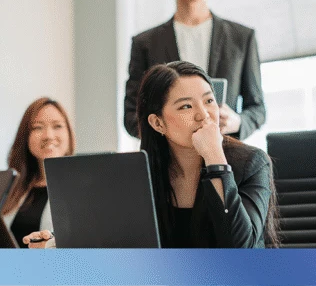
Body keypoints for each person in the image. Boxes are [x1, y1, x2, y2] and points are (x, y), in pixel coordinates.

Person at [25, 61, 278, 248]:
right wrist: (56, 244)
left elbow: (241, 250)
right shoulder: (141, 175)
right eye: (186, 106)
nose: (204, 114)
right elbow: (116, 243)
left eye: (209, 101)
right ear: (158, 124)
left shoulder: (252, 164)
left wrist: (215, 158)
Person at [123, 0, 266, 141]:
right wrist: (170, 128)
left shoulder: (241, 37)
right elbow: (131, 116)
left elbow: (258, 109)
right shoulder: (145, 44)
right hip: (168, 164)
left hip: (226, 156)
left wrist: (237, 121)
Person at [0, 97, 75, 248]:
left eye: (57, 126)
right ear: (25, 137)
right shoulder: (9, 189)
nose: (48, 135)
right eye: (37, 127)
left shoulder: (82, 189)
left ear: (69, 134)